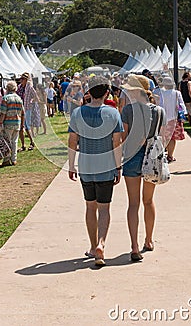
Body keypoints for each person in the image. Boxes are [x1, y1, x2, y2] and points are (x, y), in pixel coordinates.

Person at [68, 76, 123, 266]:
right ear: (107, 93)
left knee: (90, 207)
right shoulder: (113, 114)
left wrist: (71, 165)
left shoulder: (77, 113)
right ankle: (101, 244)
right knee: (104, 208)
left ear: (88, 92)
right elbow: (117, 143)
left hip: (86, 166)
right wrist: (118, 166)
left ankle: (92, 246)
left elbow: (72, 141)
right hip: (106, 166)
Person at [121, 74, 165, 261]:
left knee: (133, 203)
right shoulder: (160, 111)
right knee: (148, 201)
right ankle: (149, 239)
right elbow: (159, 135)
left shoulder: (128, 110)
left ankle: (134, 246)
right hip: (152, 157)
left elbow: (124, 137)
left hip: (132, 156)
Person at [159, 76, 186, 163]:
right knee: (172, 138)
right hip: (174, 118)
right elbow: (181, 105)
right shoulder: (177, 93)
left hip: (163, 118)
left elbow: (160, 105)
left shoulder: (161, 93)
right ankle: (170, 156)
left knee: (162, 137)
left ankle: (162, 154)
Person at [0, 81, 25, 167]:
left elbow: (3, 112)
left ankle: (6, 159)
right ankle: (14, 159)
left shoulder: (5, 98)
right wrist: (22, 124)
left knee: (7, 141)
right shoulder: (19, 98)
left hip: (8, 122)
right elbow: (22, 112)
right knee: (15, 141)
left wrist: (0, 122)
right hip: (17, 122)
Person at [16, 72, 36, 151]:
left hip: (27, 108)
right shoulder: (19, 87)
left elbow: (35, 96)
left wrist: (31, 101)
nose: (21, 80)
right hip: (19, 108)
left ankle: (32, 142)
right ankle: (23, 145)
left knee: (27, 126)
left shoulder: (29, 87)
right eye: (21, 79)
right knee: (20, 127)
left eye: (23, 79)